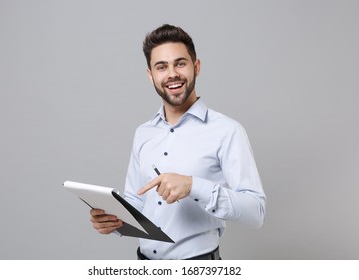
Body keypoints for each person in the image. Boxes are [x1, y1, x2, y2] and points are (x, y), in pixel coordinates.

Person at [90, 24, 266, 260]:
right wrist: (114, 221)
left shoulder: (227, 131)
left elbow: (256, 211)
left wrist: (194, 186)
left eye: (180, 63)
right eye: (161, 67)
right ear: (151, 75)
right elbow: (137, 200)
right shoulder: (143, 133)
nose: (172, 74)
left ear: (196, 67)